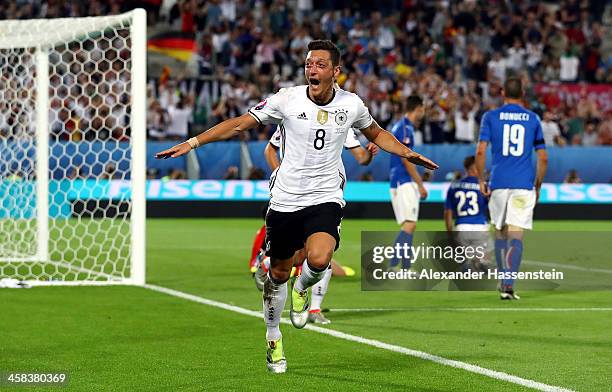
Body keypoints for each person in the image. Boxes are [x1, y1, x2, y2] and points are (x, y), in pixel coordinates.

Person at [155, 40, 438, 374]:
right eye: (308, 64)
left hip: (326, 194)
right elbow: (239, 123)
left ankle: (303, 286)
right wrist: (192, 142)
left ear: (336, 71)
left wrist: (405, 152)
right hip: (287, 199)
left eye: (319, 64)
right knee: (277, 274)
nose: (311, 69)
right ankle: (273, 337)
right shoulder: (286, 99)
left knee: (319, 258)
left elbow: (376, 133)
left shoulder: (352, 104)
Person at [261, 126, 377, 324]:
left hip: (326, 199)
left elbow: (361, 157)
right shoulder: (293, 115)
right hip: (294, 198)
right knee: (298, 256)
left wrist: (368, 154)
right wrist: (281, 176)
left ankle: (313, 306)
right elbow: (270, 149)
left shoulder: (340, 119)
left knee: (322, 257)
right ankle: (267, 264)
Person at [475, 77, 548, 300]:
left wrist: (480, 179)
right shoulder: (533, 119)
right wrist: (537, 185)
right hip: (523, 184)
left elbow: (480, 151)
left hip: (498, 183)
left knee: (500, 231)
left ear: (503, 92)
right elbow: (543, 157)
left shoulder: (490, 117)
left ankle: (502, 278)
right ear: (523, 93)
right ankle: (508, 284)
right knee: (516, 234)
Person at [388, 95, 428, 270]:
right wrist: (420, 184)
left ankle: (404, 266)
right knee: (410, 224)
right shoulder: (405, 128)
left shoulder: (402, 126)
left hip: (398, 180)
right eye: (423, 108)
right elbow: (406, 159)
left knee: (408, 223)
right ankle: (394, 263)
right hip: (403, 180)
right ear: (418, 108)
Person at [444, 156, 491, 272]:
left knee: (464, 260)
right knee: (485, 260)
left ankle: (466, 264)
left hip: (461, 228)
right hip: (480, 227)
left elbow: (448, 213)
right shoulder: (483, 185)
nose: (482, 170)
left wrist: (450, 234)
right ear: (474, 168)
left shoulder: (454, 186)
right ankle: (480, 261)